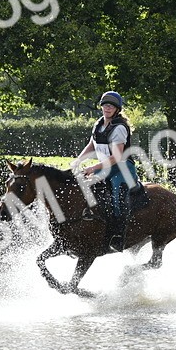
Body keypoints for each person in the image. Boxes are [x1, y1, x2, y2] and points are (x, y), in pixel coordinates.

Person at [72, 91, 142, 251]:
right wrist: (79, 159)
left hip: (122, 168)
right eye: (105, 105)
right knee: (83, 185)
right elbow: (92, 144)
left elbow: (116, 157)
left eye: (111, 106)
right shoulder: (99, 124)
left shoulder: (119, 128)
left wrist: (92, 167)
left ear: (117, 109)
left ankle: (118, 235)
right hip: (105, 167)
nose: (107, 108)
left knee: (117, 193)